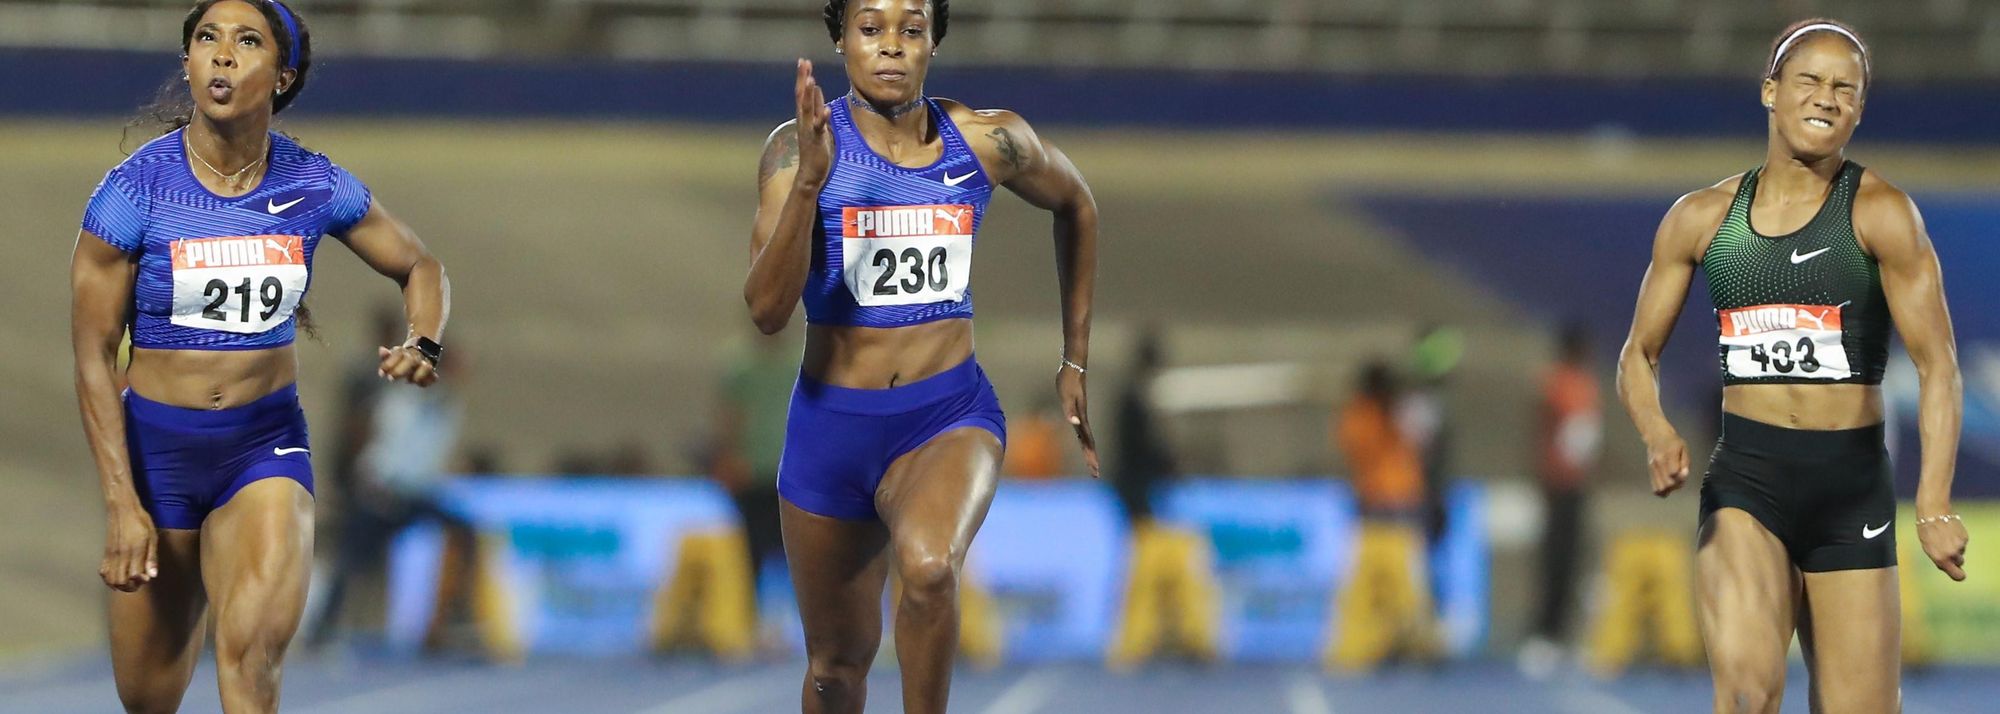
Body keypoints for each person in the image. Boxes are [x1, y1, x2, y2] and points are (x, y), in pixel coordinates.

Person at [69, 2, 450, 710]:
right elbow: (92, 355)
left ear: (282, 76)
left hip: (262, 446)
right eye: (206, 39)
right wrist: (121, 504)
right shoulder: (132, 193)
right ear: (187, 62)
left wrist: (423, 339)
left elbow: (419, 265)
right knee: (147, 697)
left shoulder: (314, 184)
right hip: (158, 455)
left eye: (247, 41)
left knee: (251, 657)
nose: (222, 54)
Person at [744, 1, 1099, 710]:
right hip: (832, 428)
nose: (891, 47)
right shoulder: (796, 151)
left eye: (911, 29)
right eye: (870, 29)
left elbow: (1078, 205)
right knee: (836, 668)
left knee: (931, 570)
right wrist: (810, 183)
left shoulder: (988, 140)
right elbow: (767, 313)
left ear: (934, 41)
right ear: (840, 39)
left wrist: (1075, 360)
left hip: (946, 415)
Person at [1616, 19, 1968, 713]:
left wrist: (1933, 503)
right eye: (1810, 80)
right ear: (1770, 92)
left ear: (1860, 110)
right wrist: (1656, 431)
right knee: (1748, 693)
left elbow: (1940, 369)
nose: (1827, 98)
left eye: (1846, 89)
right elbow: (1638, 354)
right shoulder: (1702, 218)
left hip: (1851, 489)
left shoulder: (1883, 214)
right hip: (1749, 481)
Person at [1520, 322, 1603, 677]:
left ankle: (1560, 632)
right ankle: (1545, 632)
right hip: (1559, 483)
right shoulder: (1559, 383)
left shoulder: (1580, 385)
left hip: (1572, 484)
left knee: (1570, 560)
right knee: (1555, 560)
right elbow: (1550, 427)